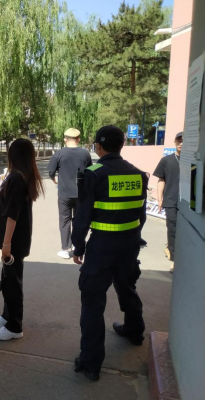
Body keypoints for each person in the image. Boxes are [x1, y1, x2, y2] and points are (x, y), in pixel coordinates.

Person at [72, 125, 148, 382]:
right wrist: (132, 238)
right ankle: (135, 332)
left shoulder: (94, 174)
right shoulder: (138, 174)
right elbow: (141, 214)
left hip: (102, 247)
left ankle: (91, 363)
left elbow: (83, 216)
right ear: (122, 145)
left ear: (98, 146)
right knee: (127, 286)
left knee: (93, 301)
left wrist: (78, 246)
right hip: (130, 244)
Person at [0, 139, 46, 341]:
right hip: (15, 238)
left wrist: (6, 244)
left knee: (12, 282)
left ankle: (15, 325)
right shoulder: (20, 176)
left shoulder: (17, 178)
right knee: (8, 278)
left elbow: (13, 215)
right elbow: (10, 207)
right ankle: (7, 315)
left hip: (14, 240)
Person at [48, 128, 93, 259]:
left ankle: (65, 249)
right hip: (81, 194)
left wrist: (54, 180)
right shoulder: (85, 154)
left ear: (65, 139)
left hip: (64, 194)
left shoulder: (59, 154)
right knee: (79, 220)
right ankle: (77, 245)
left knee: (64, 221)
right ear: (78, 139)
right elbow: (90, 171)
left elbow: (51, 171)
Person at [153, 132, 183, 273]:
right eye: (179, 140)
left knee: (185, 231)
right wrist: (160, 199)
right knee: (173, 230)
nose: (181, 143)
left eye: (184, 141)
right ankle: (175, 261)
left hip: (188, 202)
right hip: (171, 200)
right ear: (175, 142)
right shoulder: (166, 160)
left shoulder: (192, 160)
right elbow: (161, 180)